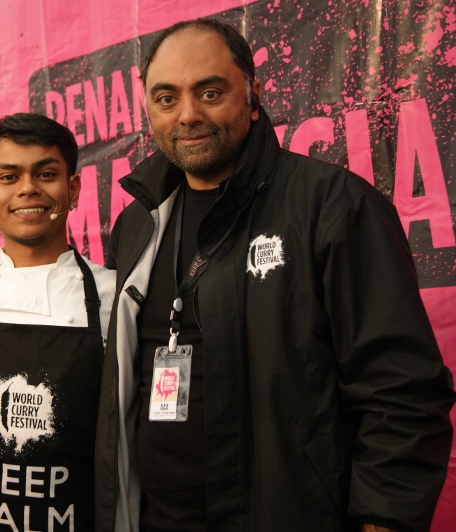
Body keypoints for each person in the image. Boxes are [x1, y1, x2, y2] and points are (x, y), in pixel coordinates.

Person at [95, 18, 455, 532]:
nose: (188, 115)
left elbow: (402, 392)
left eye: (211, 92)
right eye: (166, 98)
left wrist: (384, 520)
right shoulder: (137, 222)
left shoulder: (334, 206)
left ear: (253, 94)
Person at [0, 113, 115, 530]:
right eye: (9, 176)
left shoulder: (115, 297)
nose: (28, 189)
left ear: (72, 189)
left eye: (46, 173)